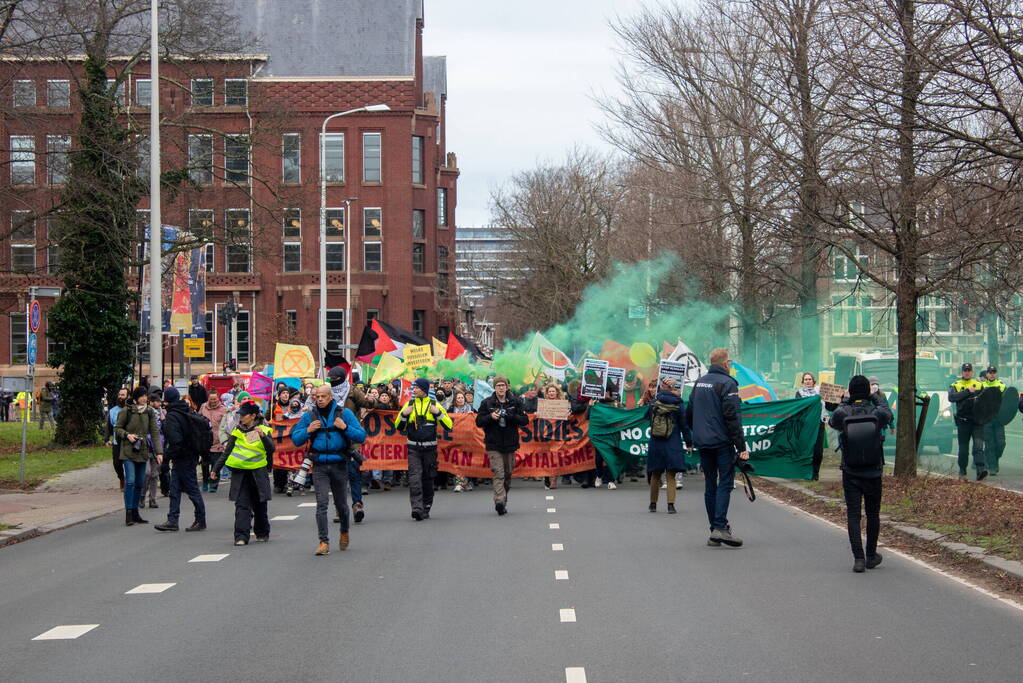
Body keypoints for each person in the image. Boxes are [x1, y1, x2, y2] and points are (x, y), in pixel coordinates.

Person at [291, 384, 366, 555]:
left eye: (323, 396)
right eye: (317, 397)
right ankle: (323, 542)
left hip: (339, 463)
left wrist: (345, 428)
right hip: (319, 465)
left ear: (330, 397)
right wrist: (308, 431)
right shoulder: (310, 416)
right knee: (321, 504)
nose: (320, 399)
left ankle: (344, 531)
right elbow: (296, 439)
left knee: (341, 505)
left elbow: (361, 436)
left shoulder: (344, 414)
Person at [829, 375, 893, 573]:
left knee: (853, 515)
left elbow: (832, 422)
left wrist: (846, 400)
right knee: (873, 514)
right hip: (873, 471)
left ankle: (858, 558)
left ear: (850, 391)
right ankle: (871, 555)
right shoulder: (877, 411)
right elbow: (888, 414)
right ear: (868, 390)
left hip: (851, 470)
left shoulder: (843, 412)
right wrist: (875, 397)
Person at [686, 348, 748, 547]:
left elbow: (689, 412)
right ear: (725, 363)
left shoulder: (699, 382)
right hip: (721, 442)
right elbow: (732, 417)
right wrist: (741, 446)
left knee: (710, 485)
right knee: (725, 483)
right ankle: (720, 527)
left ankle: (714, 529)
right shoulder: (728, 383)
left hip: (703, 441)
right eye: (729, 362)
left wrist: (697, 432)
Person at [211, 401, 275, 546]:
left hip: (258, 473)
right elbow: (227, 452)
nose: (241, 417)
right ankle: (241, 536)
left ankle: (262, 533)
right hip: (240, 474)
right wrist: (215, 469)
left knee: (260, 505)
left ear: (252, 416)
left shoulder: (264, 429)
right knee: (242, 505)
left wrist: (262, 436)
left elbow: (271, 449)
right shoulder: (237, 431)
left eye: (244, 415)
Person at [395, 378, 453, 521]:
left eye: (417, 388)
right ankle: (416, 508)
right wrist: (403, 415)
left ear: (424, 389)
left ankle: (426, 506)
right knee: (414, 478)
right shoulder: (409, 404)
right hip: (413, 449)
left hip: (430, 449)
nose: (414, 390)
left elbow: (449, 425)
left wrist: (438, 413)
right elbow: (398, 426)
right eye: (414, 388)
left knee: (428, 479)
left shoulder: (435, 404)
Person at [154, 387, 207, 533]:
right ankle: (172, 520)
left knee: (191, 489)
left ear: (167, 400)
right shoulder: (186, 410)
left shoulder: (172, 416)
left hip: (182, 457)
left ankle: (200, 519)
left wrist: (166, 457)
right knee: (175, 489)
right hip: (190, 455)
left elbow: (176, 441)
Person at [475, 375, 528, 516]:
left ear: (507, 387)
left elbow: (525, 420)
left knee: (508, 474)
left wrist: (511, 416)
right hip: (494, 444)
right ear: (494, 387)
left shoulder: (515, 402)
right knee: (498, 473)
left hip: (510, 444)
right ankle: (499, 501)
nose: (501, 388)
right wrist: (490, 417)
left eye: (503, 385)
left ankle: (503, 499)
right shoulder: (487, 403)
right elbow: (479, 421)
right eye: (498, 385)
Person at [115, 386, 163, 526]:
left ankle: (136, 512)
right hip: (128, 451)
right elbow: (117, 428)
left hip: (142, 451)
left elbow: (155, 432)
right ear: (136, 397)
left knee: (140, 483)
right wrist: (127, 435)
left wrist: (159, 452)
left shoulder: (149, 411)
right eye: (141, 396)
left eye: (145, 396)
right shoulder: (127, 411)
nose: (144, 398)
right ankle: (128, 512)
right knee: (130, 481)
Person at [646, 378, 693, 514]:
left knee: (655, 474)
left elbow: (646, 416)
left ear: (661, 387)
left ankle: (653, 504)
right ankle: (670, 506)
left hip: (656, 442)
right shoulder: (678, 404)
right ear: (673, 388)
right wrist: (689, 443)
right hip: (673, 443)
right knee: (671, 475)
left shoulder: (654, 403)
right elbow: (684, 426)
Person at [948, 362, 988, 481]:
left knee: (978, 447)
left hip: (977, 422)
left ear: (972, 372)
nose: (967, 372)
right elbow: (952, 398)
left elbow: (986, 401)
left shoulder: (979, 384)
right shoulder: (955, 384)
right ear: (962, 372)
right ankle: (962, 471)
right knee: (964, 449)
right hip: (963, 422)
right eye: (965, 370)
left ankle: (980, 470)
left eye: (969, 370)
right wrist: (968, 392)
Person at [796, 372, 827, 481]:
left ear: (813, 381)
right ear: (802, 382)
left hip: (819, 424)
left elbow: (831, 405)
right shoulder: (799, 393)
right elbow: (798, 408)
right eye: (805, 379)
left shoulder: (822, 391)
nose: (808, 381)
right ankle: (805, 472)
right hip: (806, 425)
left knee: (818, 450)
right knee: (806, 449)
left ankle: (815, 473)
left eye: (809, 379)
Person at [980, 365, 1006, 476]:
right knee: (989, 444)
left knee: (1001, 443)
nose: (991, 374)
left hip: (999, 419)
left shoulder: (1001, 385)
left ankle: (993, 460)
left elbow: (1007, 401)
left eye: (993, 372)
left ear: (996, 373)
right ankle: (993, 467)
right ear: (987, 374)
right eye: (990, 372)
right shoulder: (981, 385)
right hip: (987, 419)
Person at [199, 390, 227, 492]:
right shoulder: (203, 407)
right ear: (208, 399)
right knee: (205, 464)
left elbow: (227, 425)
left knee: (216, 465)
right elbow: (198, 419)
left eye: (215, 399)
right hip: (205, 442)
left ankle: (213, 485)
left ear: (218, 398)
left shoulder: (223, 409)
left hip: (218, 441)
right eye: (211, 399)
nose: (213, 401)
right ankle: (205, 482)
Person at [142, 391, 165, 509]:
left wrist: (163, 420)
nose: (159, 404)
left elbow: (163, 430)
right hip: (146, 445)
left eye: (159, 401)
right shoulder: (145, 413)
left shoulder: (162, 414)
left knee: (155, 474)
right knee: (146, 473)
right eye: (157, 401)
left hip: (157, 446)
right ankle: (142, 496)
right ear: (150, 402)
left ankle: (153, 499)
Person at [104, 387, 129, 490]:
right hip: (116, 441)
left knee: (129, 463)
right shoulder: (113, 411)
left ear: (128, 396)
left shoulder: (131, 409)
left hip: (128, 441)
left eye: (123, 395)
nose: (120, 397)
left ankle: (130, 482)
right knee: (117, 464)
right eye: (119, 395)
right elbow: (108, 426)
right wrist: (106, 439)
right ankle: (122, 478)